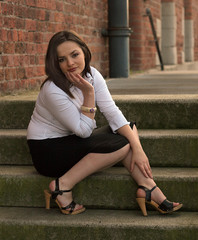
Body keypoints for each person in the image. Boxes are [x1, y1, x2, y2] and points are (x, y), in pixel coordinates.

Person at [27, 30, 182, 216]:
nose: (70, 63)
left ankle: (148, 187)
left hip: (71, 141)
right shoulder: (52, 89)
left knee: (129, 128)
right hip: (48, 151)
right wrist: (89, 93)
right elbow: (83, 131)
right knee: (123, 143)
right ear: (55, 63)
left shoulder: (92, 74)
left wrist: (139, 150)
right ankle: (62, 186)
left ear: (84, 51)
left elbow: (113, 114)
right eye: (62, 59)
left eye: (74, 54)